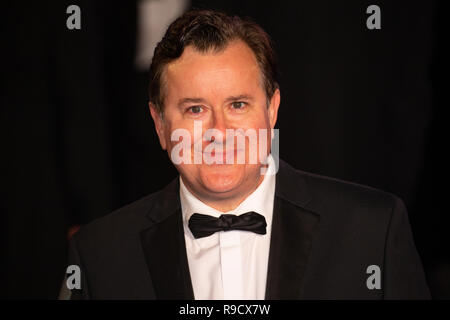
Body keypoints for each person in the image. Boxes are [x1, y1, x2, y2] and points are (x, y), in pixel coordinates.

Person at [63, 9, 430, 299]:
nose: (219, 133)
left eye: (237, 105)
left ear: (271, 111)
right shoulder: (101, 255)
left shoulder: (372, 232)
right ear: (159, 124)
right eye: (195, 109)